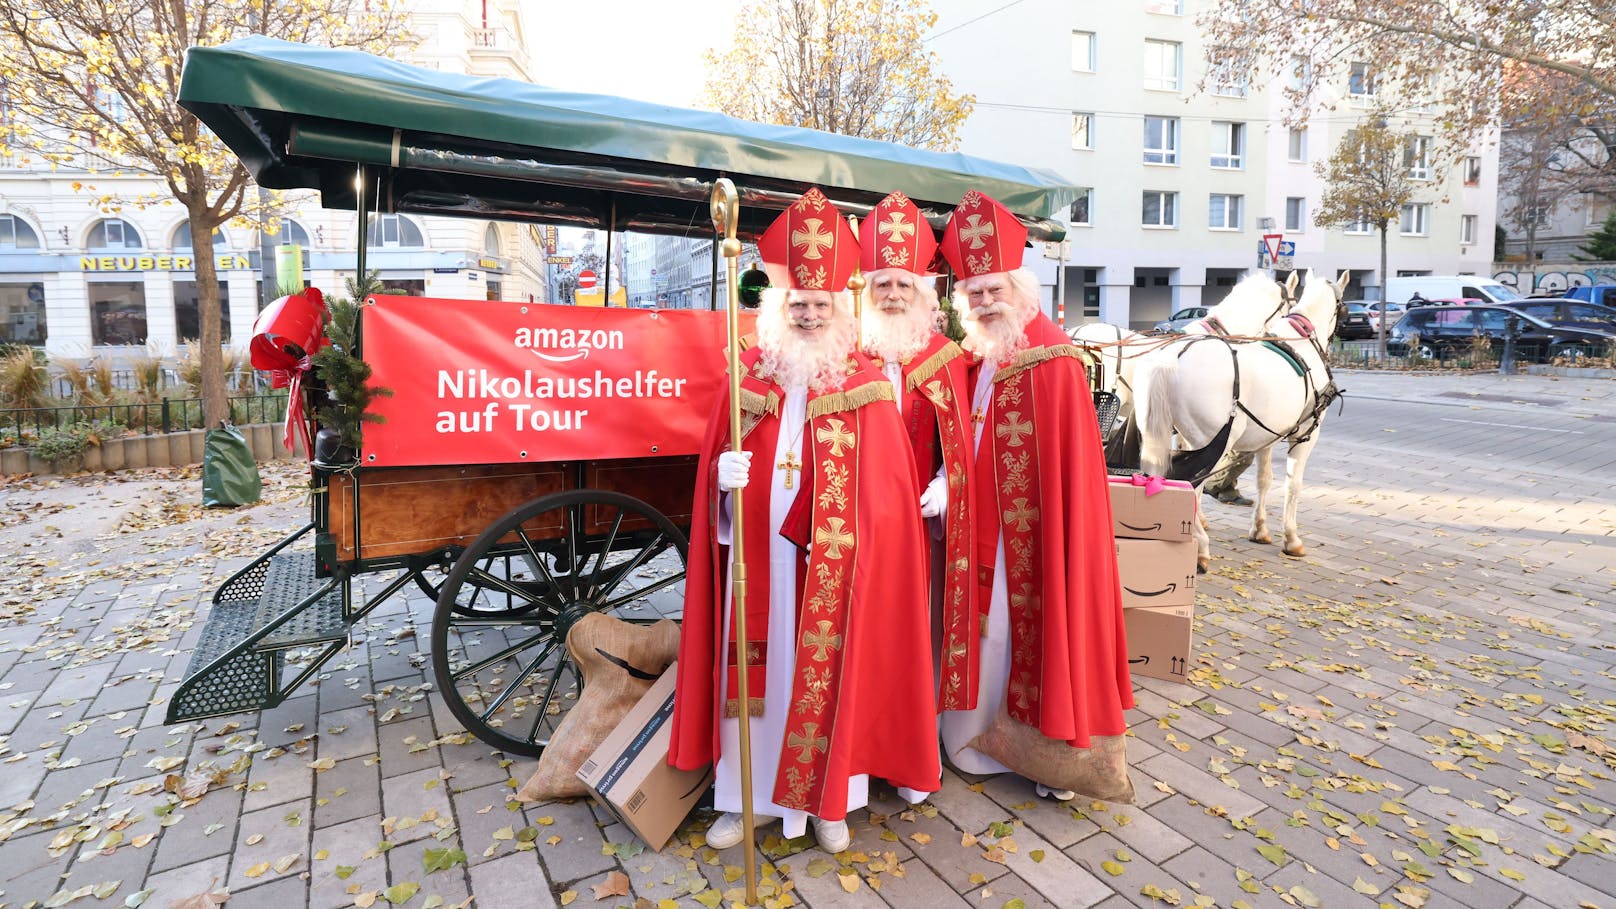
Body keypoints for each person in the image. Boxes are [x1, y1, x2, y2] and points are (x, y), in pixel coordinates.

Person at [669, 188, 941, 854]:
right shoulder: (747, 379)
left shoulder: (866, 384)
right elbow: (715, 486)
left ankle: (831, 801)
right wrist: (723, 487)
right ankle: (745, 799)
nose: (811, 313)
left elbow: (886, 498)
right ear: (778, 306)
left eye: (822, 304)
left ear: (840, 308)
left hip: (833, 573)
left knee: (830, 673)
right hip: (756, 563)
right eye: (799, 304)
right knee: (756, 676)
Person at [936, 190, 1134, 800]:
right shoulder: (976, 359)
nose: (985, 301)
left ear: (1020, 290)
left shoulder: (1052, 358)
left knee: (1030, 629)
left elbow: (1064, 469)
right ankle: (975, 736)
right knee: (989, 637)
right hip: (981, 532)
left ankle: (1046, 750)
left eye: (994, 290)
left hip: (1033, 536)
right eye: (974, 293)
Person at [857, 191, 978, 725]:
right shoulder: (844, 354)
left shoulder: (944, 358)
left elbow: (960, 438)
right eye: (881, 283)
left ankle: (913, 724)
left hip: (919, 521)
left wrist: (948, 482)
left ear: (923, 294)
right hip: (856, 519)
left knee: (916, 623)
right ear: (865, 290)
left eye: (903, 283)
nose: (892, 293)